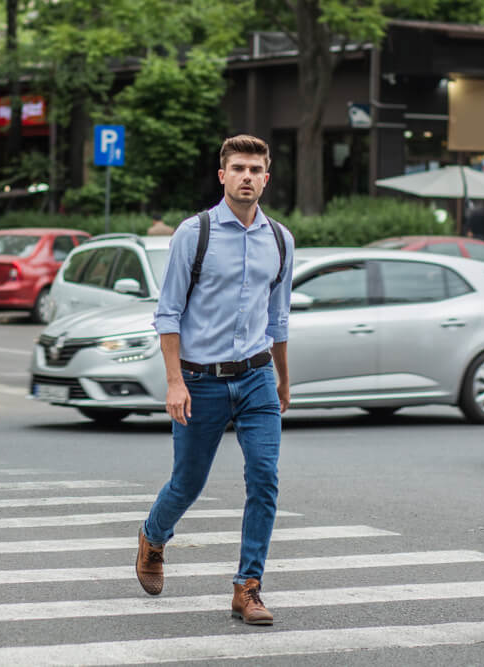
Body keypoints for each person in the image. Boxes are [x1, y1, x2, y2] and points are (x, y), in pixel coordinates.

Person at [134, 134, 294, 626]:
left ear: (267, 178)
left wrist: (283, 380)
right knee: (188, 482)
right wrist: (174, 381)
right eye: (238, 168)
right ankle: (153, 536)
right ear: (222, 175)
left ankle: (248, 588)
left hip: (256, 377)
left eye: (256, 169)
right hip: (199, 381)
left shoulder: (280, 240)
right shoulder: (194, 233)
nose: (247, 176)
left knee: (264, 478)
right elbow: (168, 313)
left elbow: (279, 319)